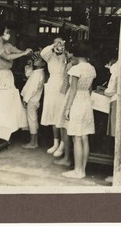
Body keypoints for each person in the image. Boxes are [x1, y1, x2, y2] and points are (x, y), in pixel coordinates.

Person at [61, 41, 97, 180]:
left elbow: (73, 90)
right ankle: (83, 170)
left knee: (76, 137)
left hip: (77, 102)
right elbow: (90, 88)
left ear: (76, 54)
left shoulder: (76, 69)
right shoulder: (91, 68)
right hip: (87, 101)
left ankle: (77, 171)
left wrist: (68, 108)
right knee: (84, 137)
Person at [40, 37, 68, 156]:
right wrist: (53, 45)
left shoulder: (66, 56)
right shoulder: (50, 56)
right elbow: (43, 53)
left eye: (61, 43)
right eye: (57, 43)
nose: (59, 46)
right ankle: (55, 143)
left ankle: (62, 145)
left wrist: (64, 50)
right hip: (52, 85)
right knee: (52, 114)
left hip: (63, 85)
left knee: (60, 114)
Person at [53, 47, 79, 167]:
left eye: (68, 52)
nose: (66, 53)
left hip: (68, 96)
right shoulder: (77, 65)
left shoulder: (71, 66)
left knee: (65, 127)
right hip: (74, 97)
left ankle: (67, 157)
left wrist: (63, 97)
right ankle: (67, 156)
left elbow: (67, 84)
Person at [0, 24, 32, 88]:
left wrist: (28, 52)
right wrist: (24, 53)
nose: (9, 35)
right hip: (0, 74)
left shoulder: (8, 45)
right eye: (7, 32)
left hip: (9, 73)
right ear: (1, 33)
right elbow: (7, 57)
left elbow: (19, 51)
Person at [20, 52, 46, 149]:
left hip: (32, 100)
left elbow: (32, 89)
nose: (36, 60)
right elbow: (28, 75)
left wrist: (26, 100)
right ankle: (34, 141)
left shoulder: (38, 74)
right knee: (33, 120)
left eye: (39, 60)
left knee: (32, 120)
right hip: (34, 100)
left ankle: (33, 143)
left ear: (43, 63)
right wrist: (30, 66)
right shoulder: (38, 72)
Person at [104, 55, 119, 136]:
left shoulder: (116, 67)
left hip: (115, 100)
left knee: (115, 130)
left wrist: (105, 92)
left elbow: (111, 90)